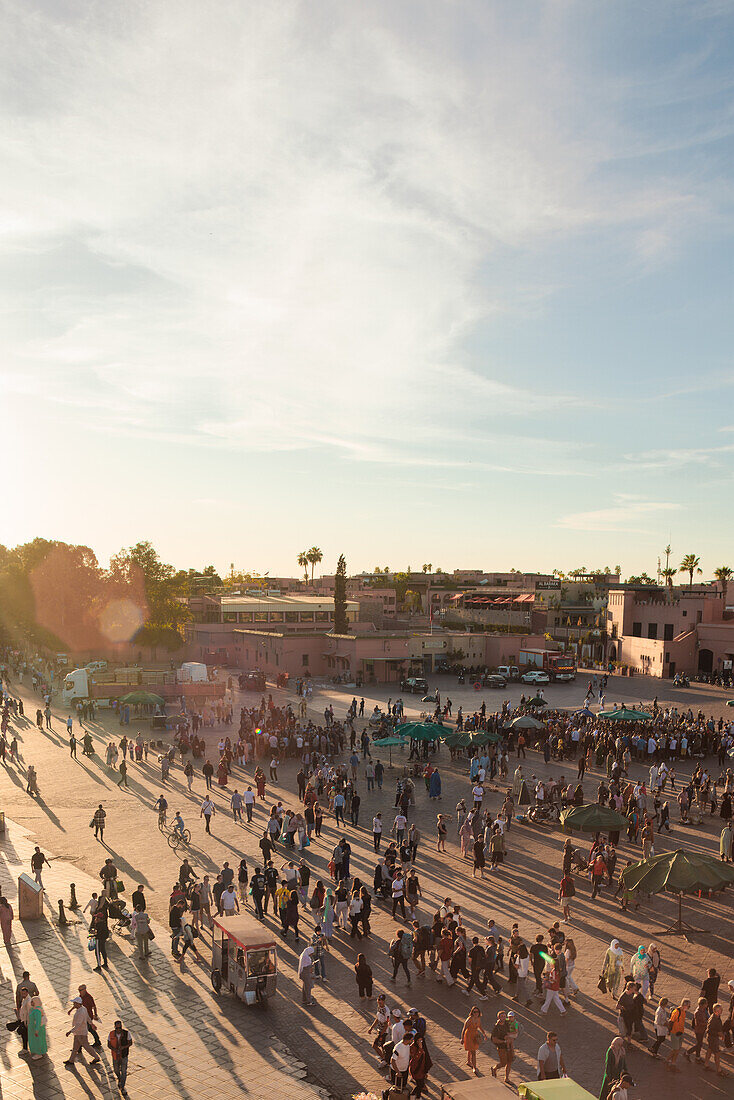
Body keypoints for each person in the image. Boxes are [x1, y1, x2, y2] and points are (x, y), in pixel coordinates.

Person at [65, 996, 102, 1067]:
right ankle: (71, 1060)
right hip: (78, 1033)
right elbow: (88, 1017)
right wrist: (92, 1024)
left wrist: (70, 1031)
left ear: (78, 1004)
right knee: (75, 1047)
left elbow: (78, 1024)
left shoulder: (80, 1013)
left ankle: (96, 1057)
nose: (73, 1004)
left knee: (87, 1046)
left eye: (74, 1003)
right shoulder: (83, 1009)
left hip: (81, 1033)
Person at [108, 1019, 133, 1094]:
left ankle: (122, 1087)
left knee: (124, 1071)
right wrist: (114, 1049)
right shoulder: (111, 1034)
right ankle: (119, 1078)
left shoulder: (126, 1033)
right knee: (116, 1070)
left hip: (124, 1055)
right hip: (115, 1055)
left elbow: (130, 1043)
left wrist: (124, 1047)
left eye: (120, 1028)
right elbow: (108, 1044)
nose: (118, 1030)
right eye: (117, 1028)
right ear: (114, 1027)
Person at [703, 1003, 728, 1077]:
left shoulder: (717, 1016)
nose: (722, 1010)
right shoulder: (713, 1019)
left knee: (710, 1049)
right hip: (713, 1038)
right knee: (717, 1054)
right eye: (720, 1009)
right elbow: (709, 1030)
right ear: (715, 1011)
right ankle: (719, 1070)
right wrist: (719, 1034)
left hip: (713, 1038)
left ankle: (706, 1064)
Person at [665, 997, 690, 1072]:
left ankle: (667, 1060)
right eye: (688, 1006)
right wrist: (669, 1031)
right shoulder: (676, 1012)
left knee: (677, 1049)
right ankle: (673, 1063)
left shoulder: (683, 1012)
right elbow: (671, 1022)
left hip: (680, 1032)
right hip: (675, 1033)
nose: (689, 1008)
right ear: (684, 1005)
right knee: (676, 1050)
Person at [462, 1005, 487, 1077]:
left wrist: (484, 1034)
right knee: (473, 1052)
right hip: (469, 1035)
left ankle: (469, 1062)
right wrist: (462, 1038)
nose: (476, 1013)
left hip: (475, 1035)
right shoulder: (469, 1019)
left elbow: (480, 1026)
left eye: (477, 1012)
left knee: (471, 1049)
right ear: (472, 1012)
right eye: (474, 1012)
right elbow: (464, 1029)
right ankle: (474, 1067)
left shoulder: (478, 1019)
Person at [27, 996, 47, 1060]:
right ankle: (42, 1051)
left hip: (37, 1029)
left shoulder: (37, 1011)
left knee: (37, 1041)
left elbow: (38, 1021)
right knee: (40, 1040)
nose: (31, 1003)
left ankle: (38, 1053)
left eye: (32, 1002)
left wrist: (36, 1030)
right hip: (36, 1028)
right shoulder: (36, 1009)